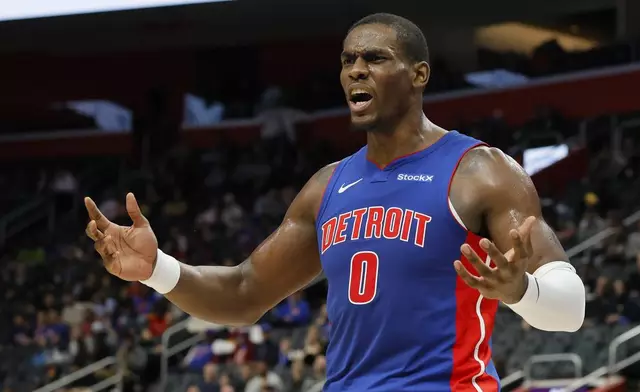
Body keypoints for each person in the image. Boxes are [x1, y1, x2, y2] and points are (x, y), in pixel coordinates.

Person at [84, 13, 586, 392]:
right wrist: (156, 269)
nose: (356, 72)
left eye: (375, 59)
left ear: (418, 74)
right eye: (348, 61)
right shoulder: (329, 186)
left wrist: (520, 289)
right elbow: (243, 291)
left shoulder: (482, 171)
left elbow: (571, 307)